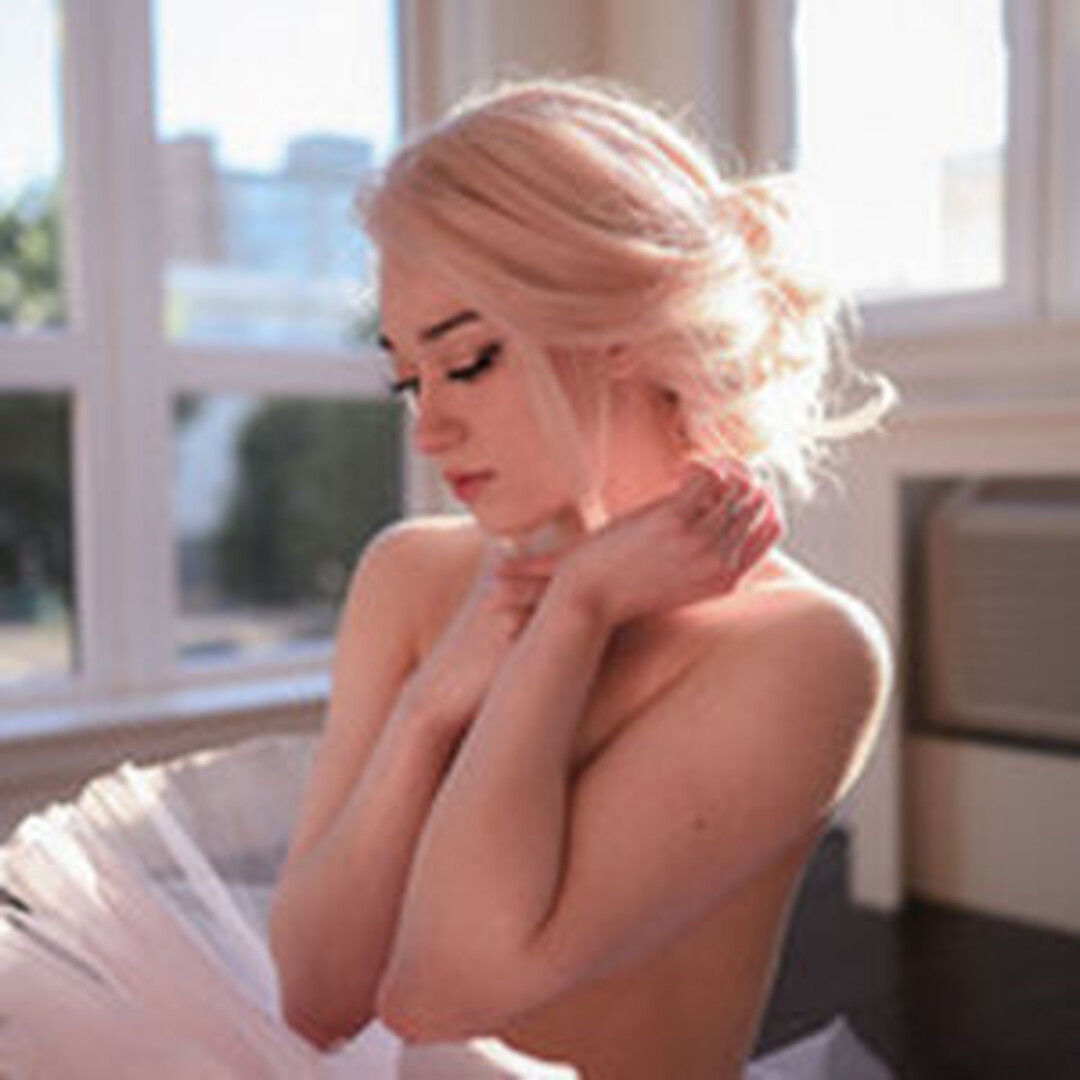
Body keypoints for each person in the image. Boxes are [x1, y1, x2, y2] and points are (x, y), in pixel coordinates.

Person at [268, 76, 897, 1079]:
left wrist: (573, 615)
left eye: (466, 362)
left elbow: (441, 991)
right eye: (408, 378)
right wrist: (428, 710)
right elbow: (315, 997)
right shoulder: (408, 575)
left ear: (621, 332)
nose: (429, 429)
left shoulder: (809, 651)